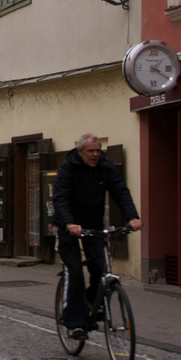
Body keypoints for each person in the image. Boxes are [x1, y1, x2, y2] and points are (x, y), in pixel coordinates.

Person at [52, 133, 141, 341]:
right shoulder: (68, 168)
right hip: (69, 227)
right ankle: (74, 323)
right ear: (81, 151)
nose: (95, 155)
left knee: (100, 267)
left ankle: (91, 302)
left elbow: (120, 191)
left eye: (98, 150)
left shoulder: (105, 167)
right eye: (91, 151)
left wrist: (133, 217)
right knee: (74, 271)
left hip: (93, 226)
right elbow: (60, 197)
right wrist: (69, 223)